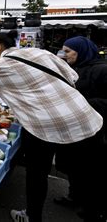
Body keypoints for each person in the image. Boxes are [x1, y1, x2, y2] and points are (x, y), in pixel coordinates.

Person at [0, 31, 104, 222]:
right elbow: (72, 76)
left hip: (44, 124)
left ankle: (32, 216)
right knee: (89, 173)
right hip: (84, 116)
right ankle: (93, 214)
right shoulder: (40, 52)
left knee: (37, 174)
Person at [54, 36, 107, 211]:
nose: (64, 55)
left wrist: (80, 102)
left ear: (81, 50)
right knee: (74, 167)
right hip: (74, 128)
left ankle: (92, 206)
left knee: (90, 170)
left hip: (94, 131)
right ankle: (74, 196)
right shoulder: (74, 68)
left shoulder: (102, 70)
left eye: (68, 51)